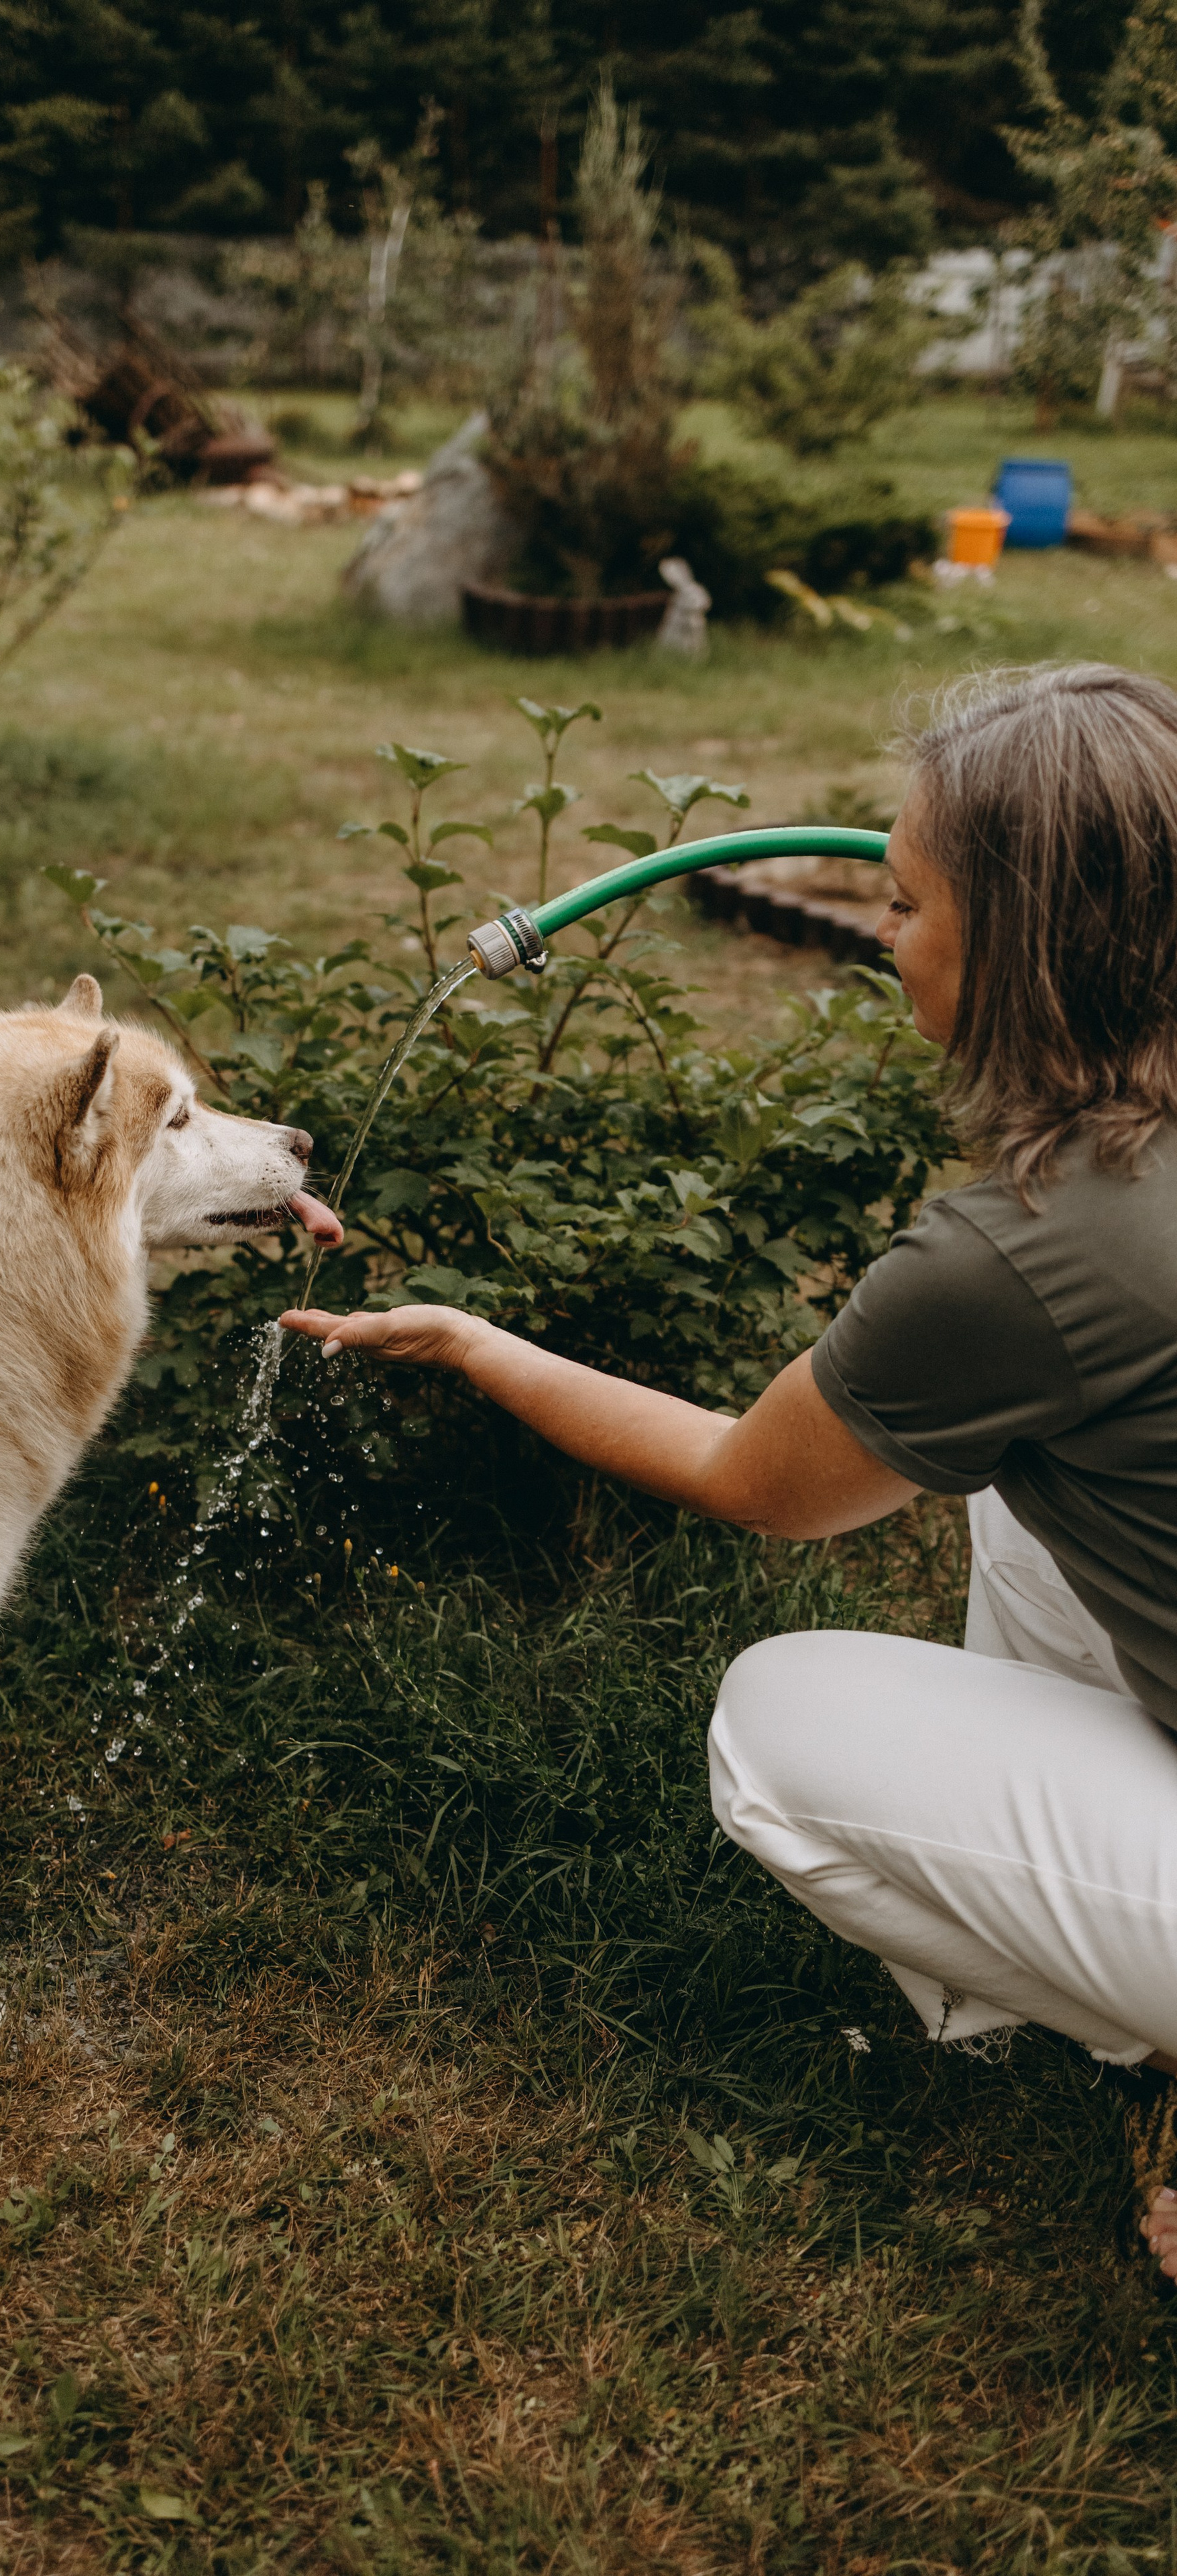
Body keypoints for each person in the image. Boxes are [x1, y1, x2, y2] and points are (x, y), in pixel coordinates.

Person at [282, 664, 1177, 2279]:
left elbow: (752, 1480)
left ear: (1022, 948)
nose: (879, 934)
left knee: (777, 1725)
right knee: (1020, 1499)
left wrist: (476, 1346)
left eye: (902, 904)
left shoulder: (1025, 1255)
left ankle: (1147, 2031)